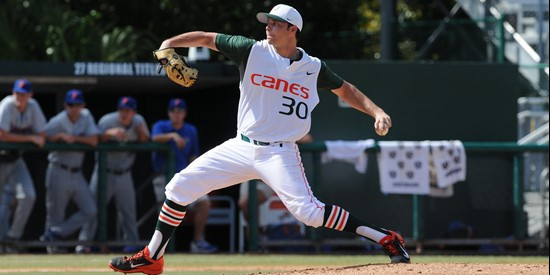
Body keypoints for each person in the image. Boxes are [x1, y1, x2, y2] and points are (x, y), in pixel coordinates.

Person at [109, 4, 409, 274]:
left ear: (294, 30)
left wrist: (376, 111)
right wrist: (168, 44)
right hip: (241, 146)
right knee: (178, 188)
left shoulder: (313, 67)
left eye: (276, 23)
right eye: (268, 21)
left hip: (280, 153)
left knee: (310, 214)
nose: (268, 26)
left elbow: (346, 90)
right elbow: (203, 37)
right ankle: (153, 256)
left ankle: (386, 238)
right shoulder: (250, 50)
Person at [77, 96, 150, 254]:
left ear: (134, 112)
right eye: (122, 110)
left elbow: (145, 142)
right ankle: (83, 244)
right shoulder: (107, 121)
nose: (124, 114)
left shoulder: (139, 121)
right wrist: (109, 134)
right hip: (104, 172)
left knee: (128, 211)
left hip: (124, 172)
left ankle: (132, 244)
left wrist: (140, 132)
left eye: (128, 111)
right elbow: (95, 139)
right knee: (92, 209)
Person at [150, 98, 218, 254]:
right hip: (162, 176)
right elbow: (153, 138)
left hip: (183, 176)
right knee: (164, 208)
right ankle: (159, 247)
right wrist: (173, 136)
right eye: (173, 111)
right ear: (169, 113)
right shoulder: (161, 126)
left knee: (204, 203)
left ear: (184, 113)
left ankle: (198, 241)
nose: (176, 114)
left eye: (179, 111)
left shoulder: (190, 130)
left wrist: (199, 174)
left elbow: (193, 155)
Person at [40, 89, 99, 253]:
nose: (74, 108)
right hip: (58, 169)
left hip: (77, 172)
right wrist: (57, 136)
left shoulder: (86, 116)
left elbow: (94, 140)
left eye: (77, 105)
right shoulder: (58, 121)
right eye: (71, 105)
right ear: (65, 105)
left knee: (90, 210)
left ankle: (55, 233)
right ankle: (52, 251)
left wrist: (75, 138)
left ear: (82, 105)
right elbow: (42, 136)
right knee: (55, 215)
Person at [0, 79, 46, 252]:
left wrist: (34, 137)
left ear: (30, 95)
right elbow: (1, 135)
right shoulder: (6, 105)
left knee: (28, 195)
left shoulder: (33, 106)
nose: (20, 96)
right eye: (17, 93)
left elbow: (42, 133)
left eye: (23, 93)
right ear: (13, 93)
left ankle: (12, 238)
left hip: (15, 160)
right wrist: (29, 138)